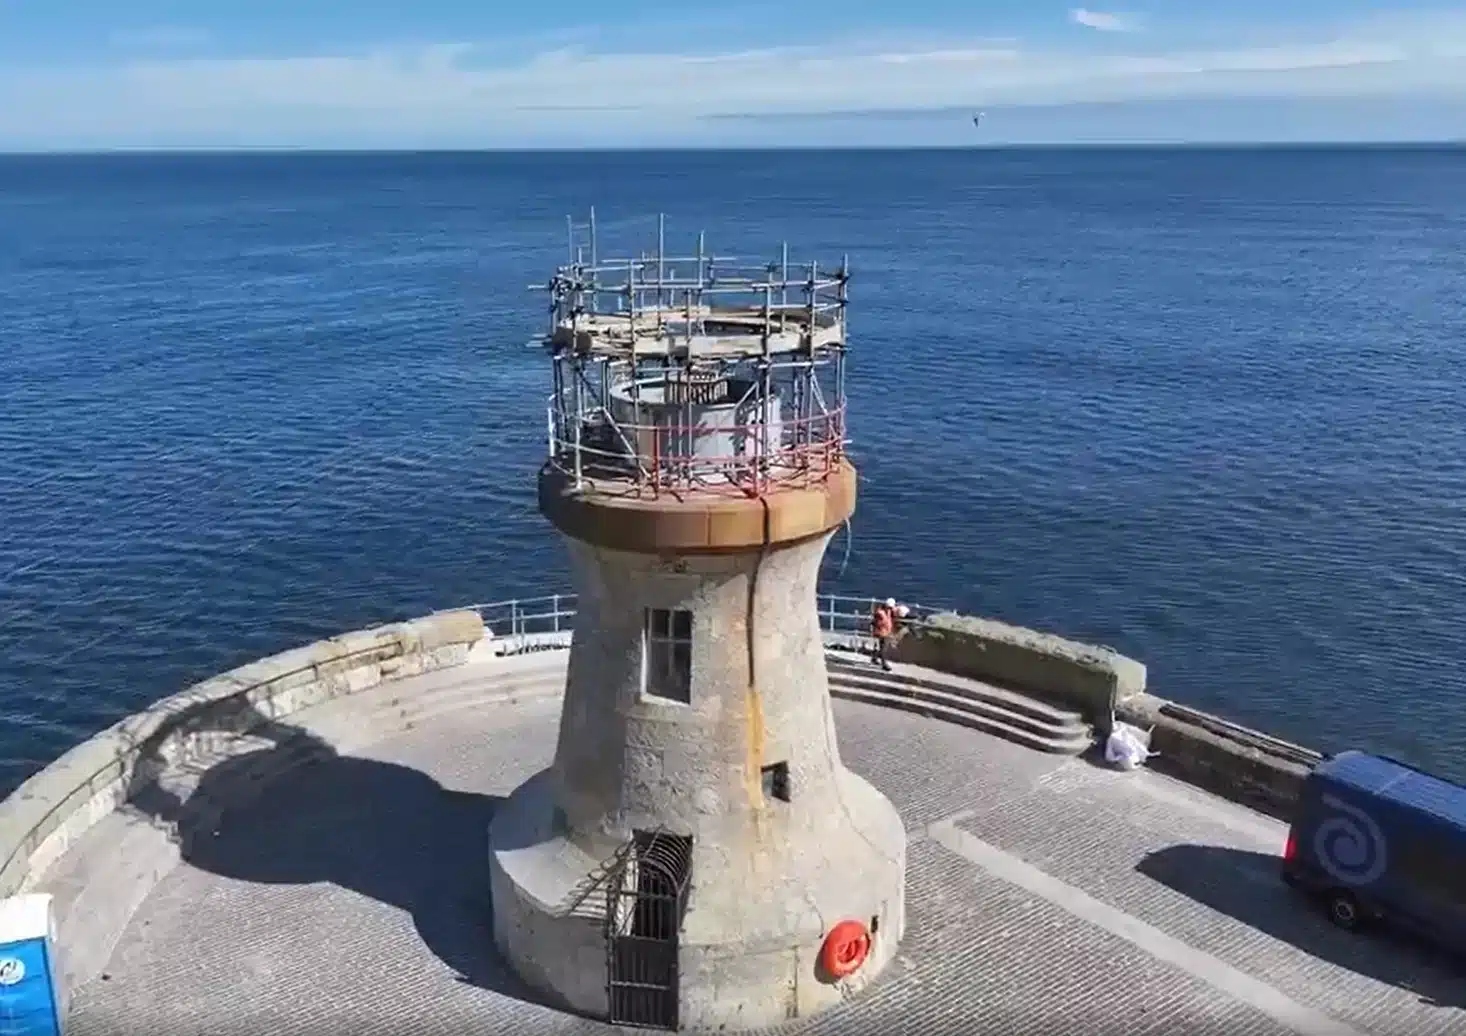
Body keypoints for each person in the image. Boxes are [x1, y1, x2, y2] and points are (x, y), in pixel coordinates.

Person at [870, 597, 898, 671]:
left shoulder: (887, 611)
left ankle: (874, 658)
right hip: (882, 632)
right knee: (883, 649)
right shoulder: (880, 613)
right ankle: (884, 664)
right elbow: (877, 622)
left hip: (885, 631)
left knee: (879, 647)